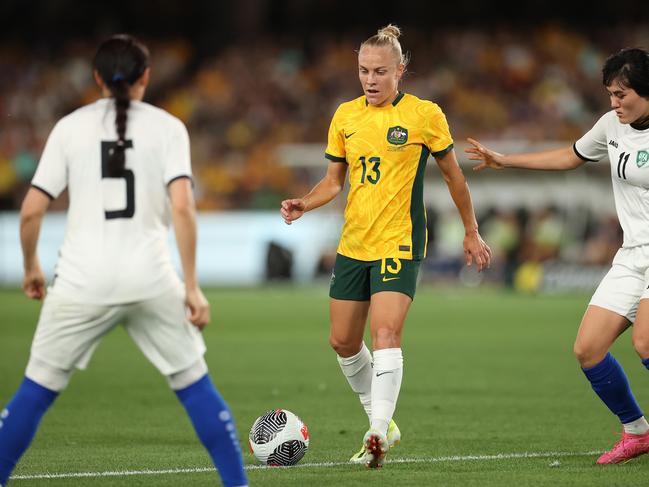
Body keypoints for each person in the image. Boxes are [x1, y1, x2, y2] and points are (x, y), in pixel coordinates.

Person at [0, 35, 248, 487]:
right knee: (196, 387)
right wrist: (191, 286)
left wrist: (32, 266)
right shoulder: (169, 128)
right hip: (150, 278)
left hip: (79, 281)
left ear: (96, 78)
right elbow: (183, 209)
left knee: (34, 393)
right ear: (146, 78)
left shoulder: (70, 128)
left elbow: (32, 210)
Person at [281, 25, 491, 468]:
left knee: (386, 333)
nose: (370, 80)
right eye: (363, 71)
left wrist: (471, 231)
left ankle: (377, 430)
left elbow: (455, 176)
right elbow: (333, 182)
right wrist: (305, 202)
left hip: (400, 240)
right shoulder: (345, 116)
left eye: (380, 71)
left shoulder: (424, 115)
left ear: (401, 71)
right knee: (342, 341)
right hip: (355, 241)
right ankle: (381, 422)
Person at [466, 47, 649, 465]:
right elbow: (571, 155)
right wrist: (506, 160)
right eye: (610, 94)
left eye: (622, 95)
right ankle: (637, 432)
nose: (614, 103)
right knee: (588, 349)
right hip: (633, 253)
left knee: (645, 342)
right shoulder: (611, 125)